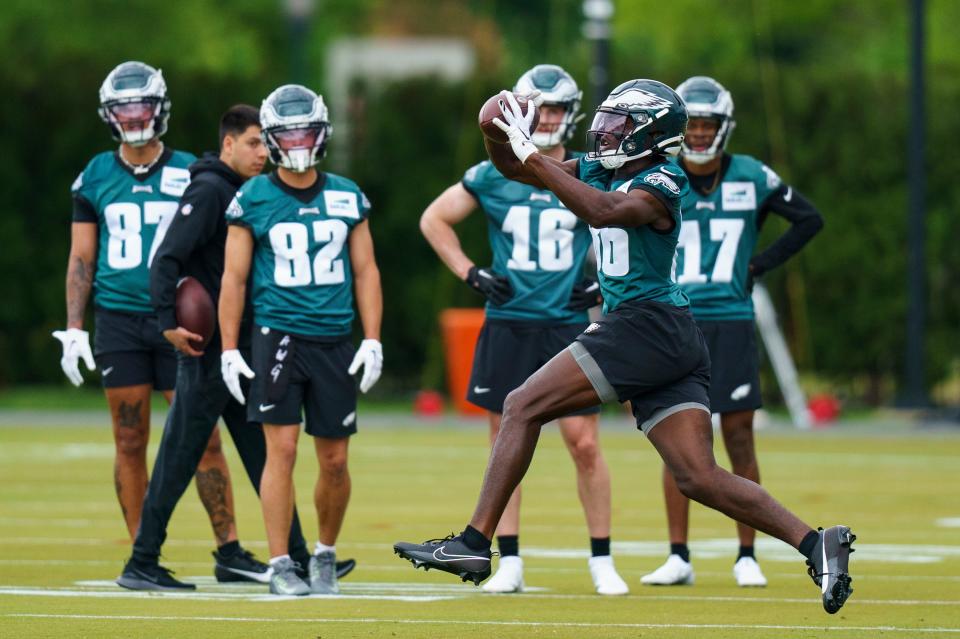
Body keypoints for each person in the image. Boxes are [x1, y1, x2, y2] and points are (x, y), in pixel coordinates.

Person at [395, 80, 855, 615]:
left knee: (521, 405)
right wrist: (497, 134)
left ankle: (475, 545)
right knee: (698, 477)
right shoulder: (604, 169)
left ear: (650, 133)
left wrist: (533, 154)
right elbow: (515, 172)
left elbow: (606, 212)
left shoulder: (663, 180)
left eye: (619, 122)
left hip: (643, 326)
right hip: (667, 333)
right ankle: (815, 543)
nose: (604, 130)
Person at [117, 105, 355, 590]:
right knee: (180, 454)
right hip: (208, 352)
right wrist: (167, 321)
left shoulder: (249, 193)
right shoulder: (209, 190)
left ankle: (296, 557)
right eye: (252, 143)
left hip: (246, 349)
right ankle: (141, 561)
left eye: (263, 143)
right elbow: (166, 257)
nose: (262, 152)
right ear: (227, 144)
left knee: (266, 455)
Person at [419, 64, 626, 595]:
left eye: (555, 109)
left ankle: (601, 558)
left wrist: (603, 286)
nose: (547, 118)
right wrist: (471, 272)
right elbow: (434, 219)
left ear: (572, 113)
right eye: (538, 108)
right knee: (504, 443)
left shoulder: (586, 170)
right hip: (510, 321)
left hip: (566, 322)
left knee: (583, 442)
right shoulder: (494, 173)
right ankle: (507, 558)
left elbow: (626, 229)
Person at [640, 76, 824, 588]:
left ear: (724, 127)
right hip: (675, 320)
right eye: (691, 125)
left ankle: (747, 554)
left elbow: (809, 219)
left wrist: (758, 265)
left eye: (707, 125)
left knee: (739, 436)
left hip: (732, 320)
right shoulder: (660, 174)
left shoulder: (750, 175)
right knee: (674, 440)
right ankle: (678, 553)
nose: (698, 135)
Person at [54, 61, 240, 561]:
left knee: (204, 439)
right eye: (124, 109)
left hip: (184, 319)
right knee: (130, 439)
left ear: (160, 109)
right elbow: (82, 257)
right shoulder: (94, 175)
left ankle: (229, 547)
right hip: (118, 320)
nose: (135, 117)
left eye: (142, 107)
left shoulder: (192, 171)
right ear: (109, 114)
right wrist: (74, 326)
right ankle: (143, 553)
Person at [219, 84, 383, 596]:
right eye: (287, 133)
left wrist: (372, 338)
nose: (296, 141)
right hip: (279, 336)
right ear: (270, 138)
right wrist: (228, 347)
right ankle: (282, 563)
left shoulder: (345, 193)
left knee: (335, 458)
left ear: (322, 133)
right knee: (282, 450)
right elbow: (233, 279)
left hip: (334, 337)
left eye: (305, 131)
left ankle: (325, 554)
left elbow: (365, 270)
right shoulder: (253, 196)